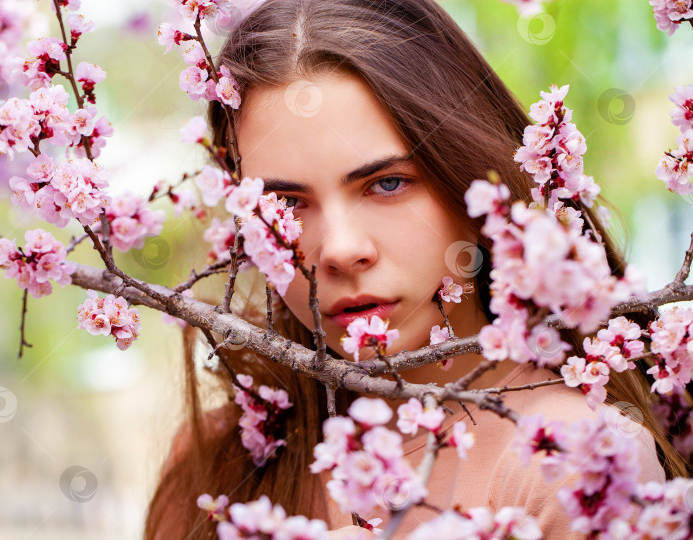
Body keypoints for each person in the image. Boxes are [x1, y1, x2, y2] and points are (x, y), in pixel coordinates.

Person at [144, 0, 689, 538]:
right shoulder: (217, 460)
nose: (340, 249)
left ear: (475, 184)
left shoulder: (568, 461)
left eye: (387, 183)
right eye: (286, 203)